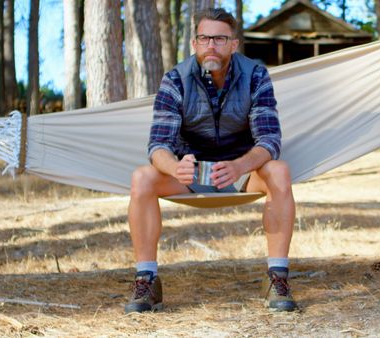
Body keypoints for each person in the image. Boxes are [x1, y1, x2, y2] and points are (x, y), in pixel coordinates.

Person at [124, 8, 296, 313]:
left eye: (219, 38)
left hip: (242, 169)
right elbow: (158, 145)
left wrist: (240, 166)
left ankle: (276, 278)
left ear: (234, 44)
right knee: (142, 178)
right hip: (190, 173)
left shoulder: (256, 76)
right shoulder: (175, 79)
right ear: (194, 44)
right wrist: (175, 167)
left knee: (280, 171)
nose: (211, 45)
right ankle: (147, 280)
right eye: (204, 38)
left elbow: (269, 140)